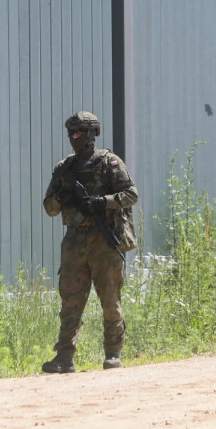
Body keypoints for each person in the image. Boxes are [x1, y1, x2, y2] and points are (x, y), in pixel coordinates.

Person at [40, 111, 138, 373]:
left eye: (79, 132)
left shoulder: (109, 163)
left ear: (92, 133)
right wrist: (62, 197)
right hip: (75, 242)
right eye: (70, 133)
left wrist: (102, 202)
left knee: (110, 300)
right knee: (70, 303)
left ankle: (113, 354)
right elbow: (49, 208)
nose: (74, 137)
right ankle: (64, 358)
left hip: (103, 241)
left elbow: (131, 194)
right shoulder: (65, 169)